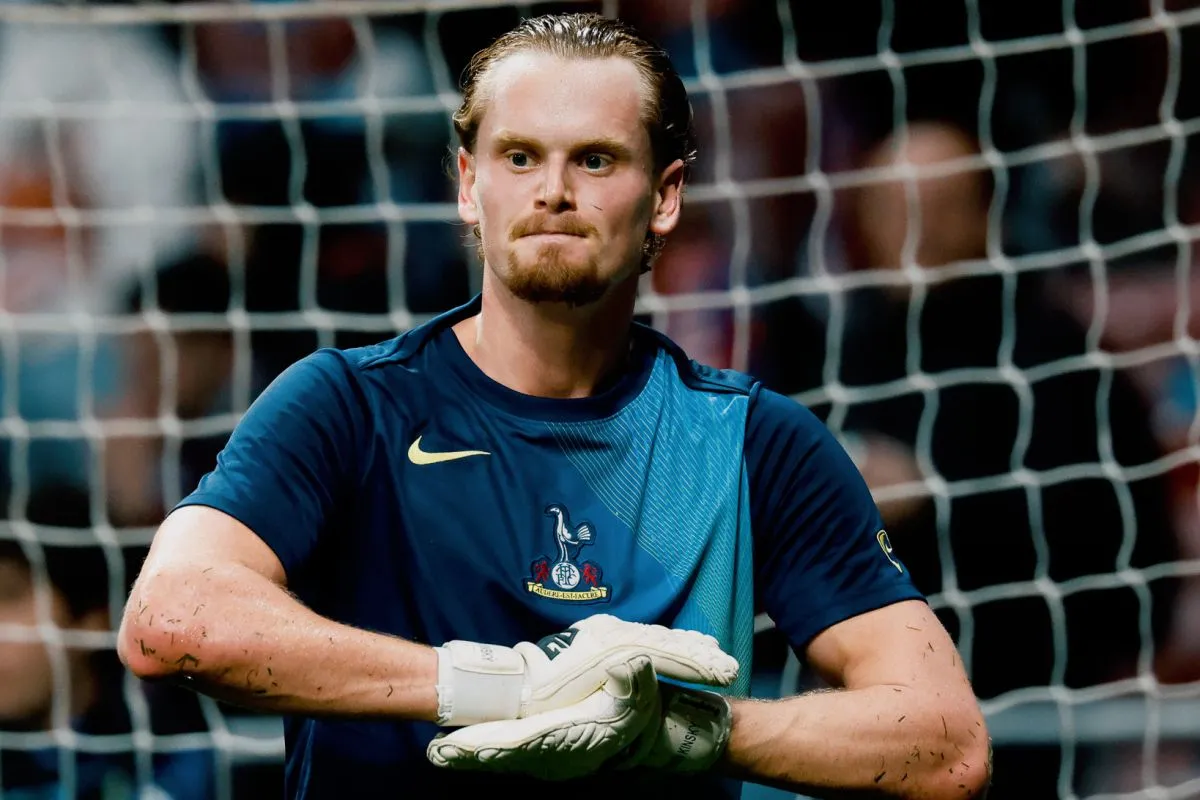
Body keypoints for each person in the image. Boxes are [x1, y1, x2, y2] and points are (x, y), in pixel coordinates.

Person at [117, 13, 990, 800]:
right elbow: (170, 621)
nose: (554, 191)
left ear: (666, 196)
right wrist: (509, 688)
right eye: (520, 156)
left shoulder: (752, 441)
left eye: (596, 159)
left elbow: (947, 744)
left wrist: (689, 732)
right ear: (469, 184)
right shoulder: (348, 406)